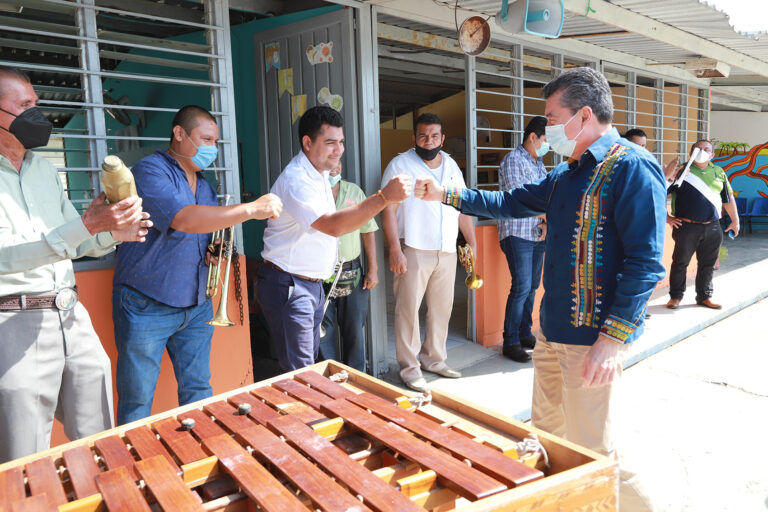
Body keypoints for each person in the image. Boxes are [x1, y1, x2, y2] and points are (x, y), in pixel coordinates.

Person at [415, 67, 666, 511]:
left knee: (595, 456)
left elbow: (645, 264)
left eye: (552, 117)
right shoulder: (566, 174)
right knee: (547, 440)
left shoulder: (632, 168)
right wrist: (446, 195)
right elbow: (509, 202)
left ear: (583, 116)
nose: (546, 127)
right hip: (551, 333)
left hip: (592, 341)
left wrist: (612, 342)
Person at [0, 66, 151, 462]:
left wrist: (111, 231)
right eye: (24, 105)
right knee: (25, 457)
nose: (37, 112)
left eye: (36, 102)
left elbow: (73, 239)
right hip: (14, 321)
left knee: (98, 442)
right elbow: (5, 256)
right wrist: (85, 225)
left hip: (71, 316)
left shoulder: (44, 169)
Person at [112, 105, 283, 425]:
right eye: (205, 139)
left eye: (215, 142)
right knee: (137, 401)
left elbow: (201, 233)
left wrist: (210, 252)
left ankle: (199, 460)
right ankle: (134, 468)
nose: (211, 148)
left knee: (198, 391)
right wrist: (249, 209)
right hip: (146, 302)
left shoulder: (204, 185)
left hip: (196, 302)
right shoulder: (150, 171)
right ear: (179, 134)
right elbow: (183, 219)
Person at [258, 106, 410, 372]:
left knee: (310, 363)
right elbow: (333, 226)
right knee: (302, 370)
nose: (338, 150)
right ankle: (309, 413)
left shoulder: (319, 174)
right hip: (291, 284)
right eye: (330, 143)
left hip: (311, 284)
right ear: (307, 143)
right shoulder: (298, 180)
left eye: (341, 142)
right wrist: (384, 197)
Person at [381, 113, 477, 393]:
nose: (429, 141)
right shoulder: (400, 165)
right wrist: (395, 250)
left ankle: (434, 359)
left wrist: (471, 241)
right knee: (407, 311)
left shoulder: (451, 166)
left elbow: (462, 206)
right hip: (413, 247)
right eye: (423, 136)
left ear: (443, 138)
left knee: (441, 309)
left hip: (446, 249)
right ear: (414, 137)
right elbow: (389, 209)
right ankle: (410, 369)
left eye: (434, 136)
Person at [317, 164, 379, 372]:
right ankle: (329, 380)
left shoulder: (354, 191)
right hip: (320, 274)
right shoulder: (312, 192)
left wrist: (373, 269)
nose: (334, 166)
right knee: (322, 331)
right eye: (328, 160)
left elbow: (367, 230)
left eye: (338, 160)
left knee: (354, 330)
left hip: (352, 272)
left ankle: (356, 378)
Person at [497, 116, 548, 363]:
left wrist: (547, 221)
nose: (549, 145)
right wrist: (547, 213)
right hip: (517, 233)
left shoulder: (540, 164)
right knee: (521, 287)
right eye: (546, 140)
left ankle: (525, 333)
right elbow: (521, 197)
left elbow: (548, 196)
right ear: (533, 137)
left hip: (537, 234)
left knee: (532, 287)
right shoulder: (513, 160)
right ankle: (511, 341)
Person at [665, 140, 739, 311]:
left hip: (713, 226)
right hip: (686, 227)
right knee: (680, 263)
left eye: (706, 149)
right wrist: (666, 217)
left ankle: (704, 296)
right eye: (698, 149)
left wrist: (735, 220)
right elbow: (659, 192)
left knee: (708, 264)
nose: (702, 151)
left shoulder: (719, 172)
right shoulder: (681, 171)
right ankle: (675, 297)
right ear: (691, 154)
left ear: (712, 155)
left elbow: (728, 199)